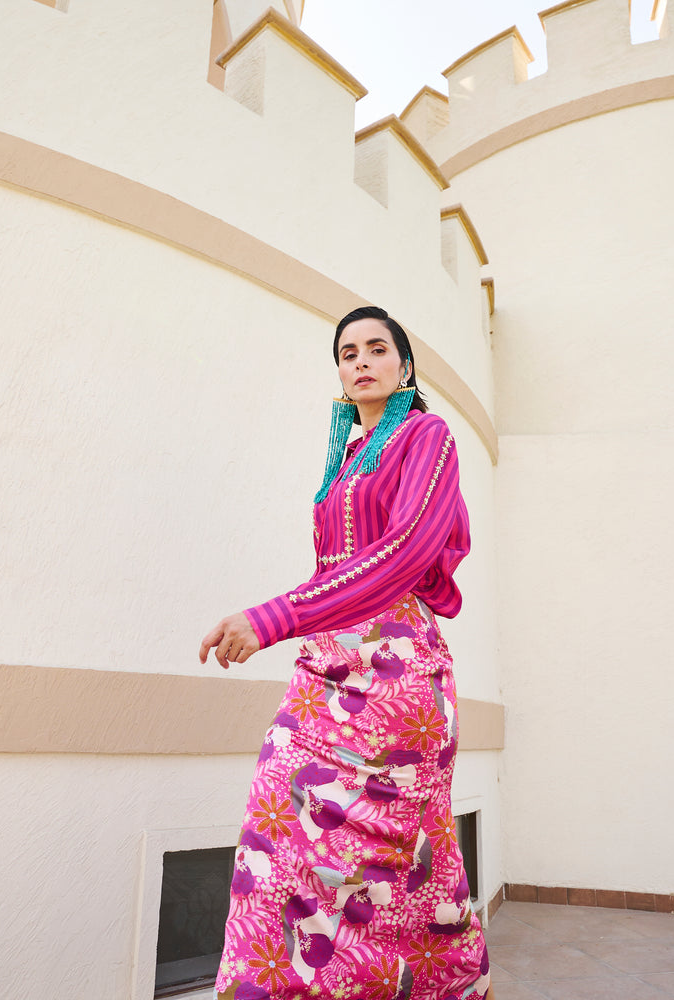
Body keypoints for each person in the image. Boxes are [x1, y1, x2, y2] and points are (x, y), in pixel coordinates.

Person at [199, 306, 492, 1000]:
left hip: (394, 674)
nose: (360, 361)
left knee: (394, 867)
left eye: (376, 349)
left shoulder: (430, 435)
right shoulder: (350, 458)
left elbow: (402, 556)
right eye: (347, 352)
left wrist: (274, 619)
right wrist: (262, 614)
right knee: (278, 826)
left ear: (405, 367)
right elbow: (333, 570)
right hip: (327, 667)